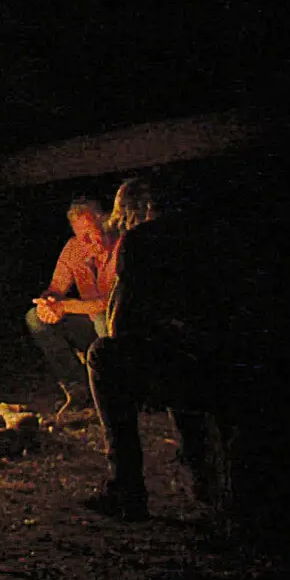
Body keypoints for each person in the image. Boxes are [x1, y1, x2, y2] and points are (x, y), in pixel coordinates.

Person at [84, 181, 217, 522]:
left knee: (103, 354)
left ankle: (126, 488)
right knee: (176, 345)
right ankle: (202, 470)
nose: (123, 225)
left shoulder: (143, 240)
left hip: (193, 364)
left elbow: (121, 320)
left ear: (139, 210)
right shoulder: (208, 231)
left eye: (124, 217)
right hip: (230, 357)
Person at [24, 195, 122, 409]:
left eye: (89, 234)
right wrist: (48, 302)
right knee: (35, 318)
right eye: (80, 236)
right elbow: (56, 286)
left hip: (120, 328)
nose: (85, 243)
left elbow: (110, 303)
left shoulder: (122, 246)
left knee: (102, 321)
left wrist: (65, 306)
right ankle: (79, 387)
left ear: (105, 224)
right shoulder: (75, 247)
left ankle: (119, 391)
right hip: (90, 326)